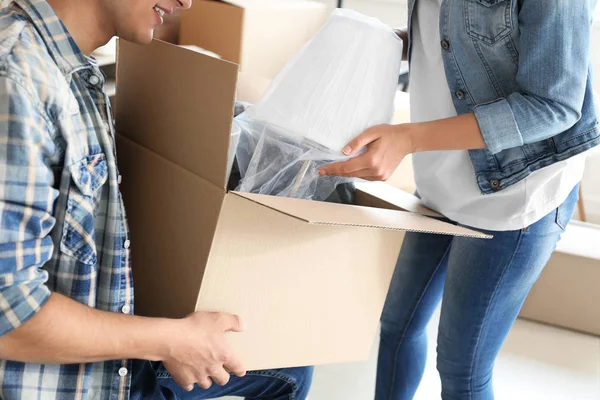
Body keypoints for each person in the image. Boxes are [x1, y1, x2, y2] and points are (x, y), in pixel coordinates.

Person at [0, 0, 312, 399]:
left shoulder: (72, 69)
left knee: (291, 363)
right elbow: (9, 312)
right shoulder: (19, 78)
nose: (187, 1)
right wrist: (171, 339)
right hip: (58, 383)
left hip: (104, 366)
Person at [321, 0, 599, 398]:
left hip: (515, 193)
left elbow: (554, 104)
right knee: (397, 326)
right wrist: (375, 44)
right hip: (441, 179)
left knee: (461, 368)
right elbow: (454, 41)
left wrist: (409, 138)